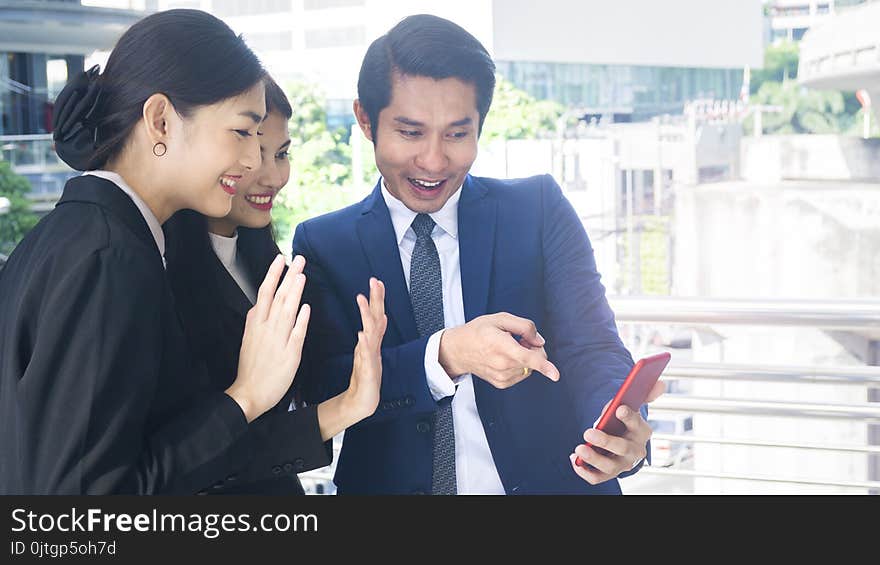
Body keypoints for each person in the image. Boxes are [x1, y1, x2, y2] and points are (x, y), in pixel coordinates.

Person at [0, 9, 384, 495]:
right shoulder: (109, 257)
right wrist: (244, 397)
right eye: (242, 132)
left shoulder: (80, 237)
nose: (252, 162)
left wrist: (343, 405)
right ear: (161, 120)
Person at [292, 14, 664, 495]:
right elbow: (323, 386)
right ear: (366, 120)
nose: (433, 160)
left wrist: (619, 426)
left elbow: (592, 345)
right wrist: (443, 355)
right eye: (410, 133)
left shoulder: (538, 209)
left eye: (456, 133)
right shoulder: (324, 244)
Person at [164, 76, 386, 494]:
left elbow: (262, 438)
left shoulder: (272, 268)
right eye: (250, 149)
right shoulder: (160, 272)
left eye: (280, 153)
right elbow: (186, 464)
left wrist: (353, 397)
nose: (271, 175)